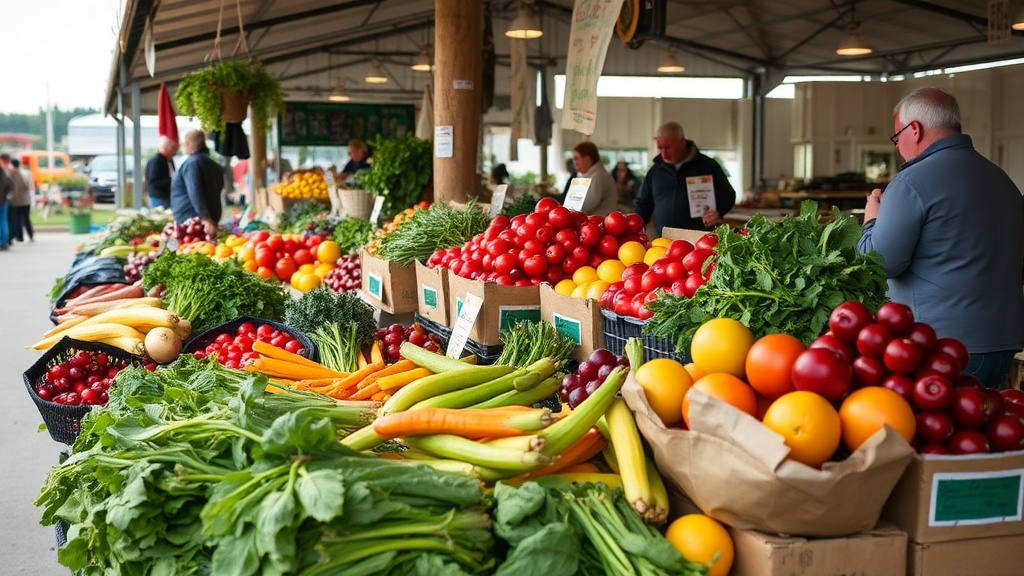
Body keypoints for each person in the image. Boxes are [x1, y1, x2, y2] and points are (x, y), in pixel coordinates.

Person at [857, 87, 1024, 389]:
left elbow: (878, 264)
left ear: (915, 130)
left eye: (897, 137)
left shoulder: (911, 182)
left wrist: (871, 221)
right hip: (1004, 341)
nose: (898, 148)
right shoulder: (1002, 179)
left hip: (944, 346)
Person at [633, 121, 736, 236]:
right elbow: (643, 203)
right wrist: (636, 230)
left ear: (682, 143)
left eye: (667, 148)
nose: (663, 154)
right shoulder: (655, 171)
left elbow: (728, 194)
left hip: (698, 239)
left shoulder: (707, 166)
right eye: (660, 148)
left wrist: (718, 211)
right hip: (663, 240)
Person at [170, 129, 224, 238]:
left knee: (178, 248)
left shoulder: (192, 164)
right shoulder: (214, 165)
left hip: (191, 221)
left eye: (183, 144)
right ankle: (162, 251)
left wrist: (205, 217)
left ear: (188, 144)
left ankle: (161, 253)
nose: (183, 147)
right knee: (206, 249)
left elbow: (194, 191)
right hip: (207, 218)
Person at [570, 141, 618, 216]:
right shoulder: (588, 175)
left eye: (576, 158)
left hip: (600, 223)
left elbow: (586, 205)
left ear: (588, 159)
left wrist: (567, 211)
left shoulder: (598, 177)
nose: (574, 162)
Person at [145, 136, 179, 209]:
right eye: (173, 149)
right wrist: (173, 181)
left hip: (168, 196)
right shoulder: (156, 161)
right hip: (159, 197)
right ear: (165, 148)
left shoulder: (169, 161)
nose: (175, 152)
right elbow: (154, 181)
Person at [6, 158, 33, 242]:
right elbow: (29, 185)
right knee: (26, 218)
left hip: (15, 200)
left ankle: (19, 236)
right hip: (26, 200)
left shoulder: (11, 174)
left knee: (17, 219)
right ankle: (30, 234)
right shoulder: (26, 173)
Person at [0, 154, 11, 251]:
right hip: (4, 199)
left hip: (2, 199)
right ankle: (4, 242)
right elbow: (9, 185)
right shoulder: (5, 172)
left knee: (2, 221)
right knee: (3, 221)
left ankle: (2, 241)